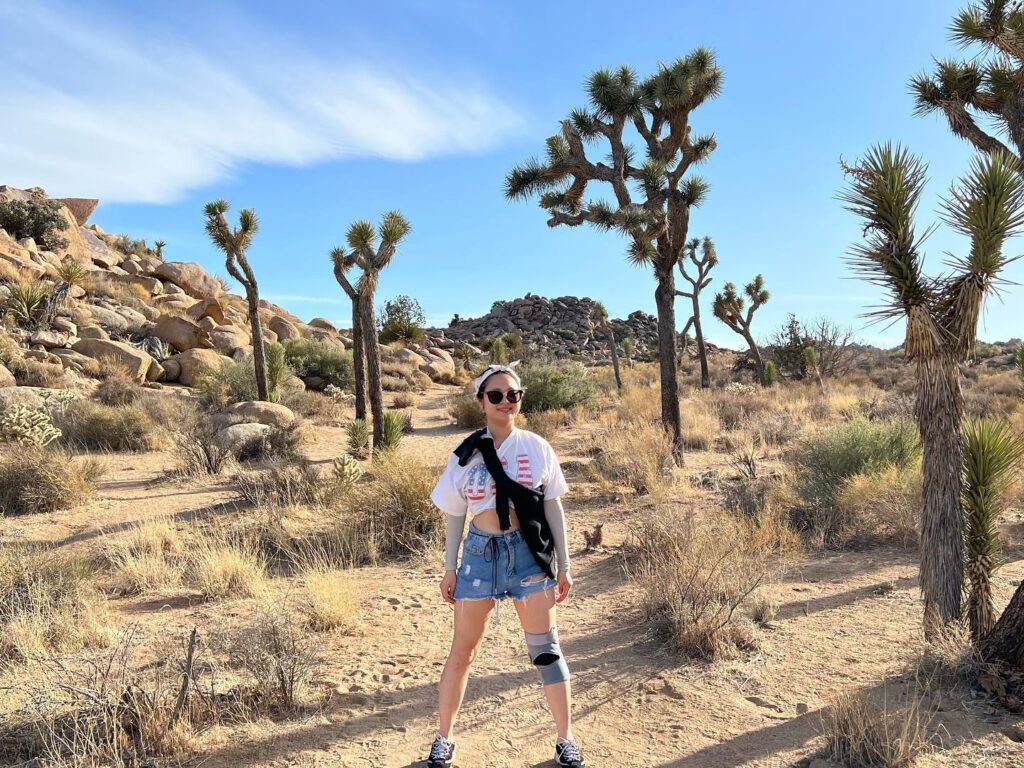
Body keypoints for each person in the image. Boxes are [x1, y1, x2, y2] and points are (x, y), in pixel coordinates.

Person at [424, 362, 585, 767]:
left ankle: (566, 740)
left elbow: (553, 506)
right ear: (481, 401)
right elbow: (455, 514)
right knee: (463, 651)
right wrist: (449, 567)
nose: (505, 402)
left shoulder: (536, 447)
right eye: (495, 395)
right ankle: (444, 739)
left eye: (513, 394)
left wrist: (563, 564)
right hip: (479, 557)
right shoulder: (464, 453)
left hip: (528, 556)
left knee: (546, 649)